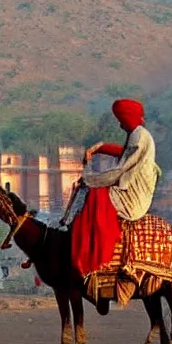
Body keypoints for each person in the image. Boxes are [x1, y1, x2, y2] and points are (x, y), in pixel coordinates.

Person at [70, 99, 161, 280]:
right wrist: (100, 148)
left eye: (121, 120)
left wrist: (89, 180)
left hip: (133, 198)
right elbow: (125, 152)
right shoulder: (138, 134)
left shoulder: (139, 136)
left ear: (128, 119)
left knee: (95, 197)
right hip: (130, 189)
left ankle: (94, 257)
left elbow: (119, 171)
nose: (120, 125)